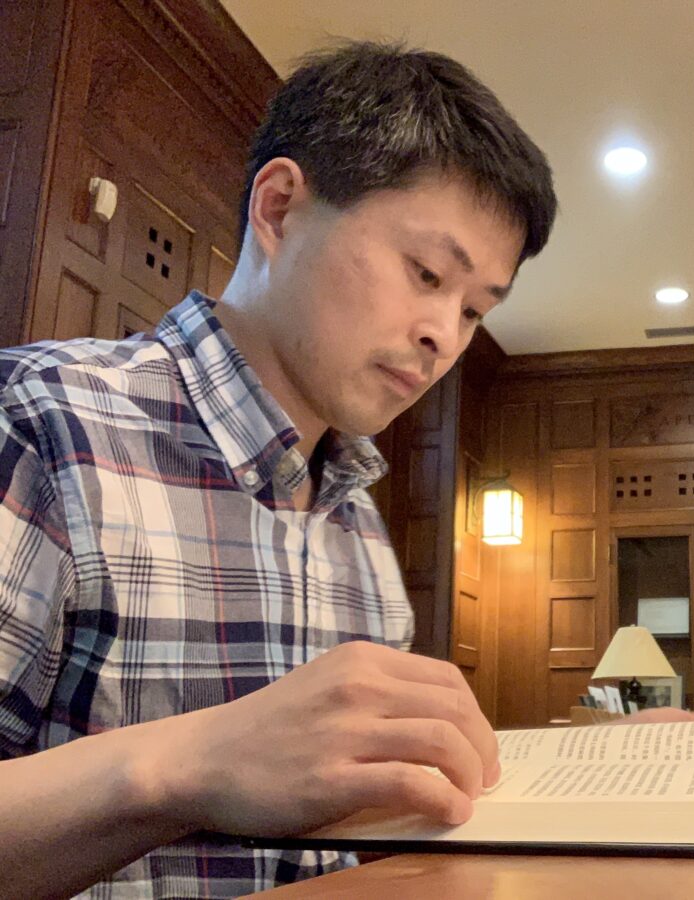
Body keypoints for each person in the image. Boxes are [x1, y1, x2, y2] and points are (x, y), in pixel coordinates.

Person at [0, 41, 563, 898]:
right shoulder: (45, 420)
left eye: (474, 310)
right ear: (279, 206)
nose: (444, 335)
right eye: (427, 273)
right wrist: (184, 763)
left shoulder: (358, 523)